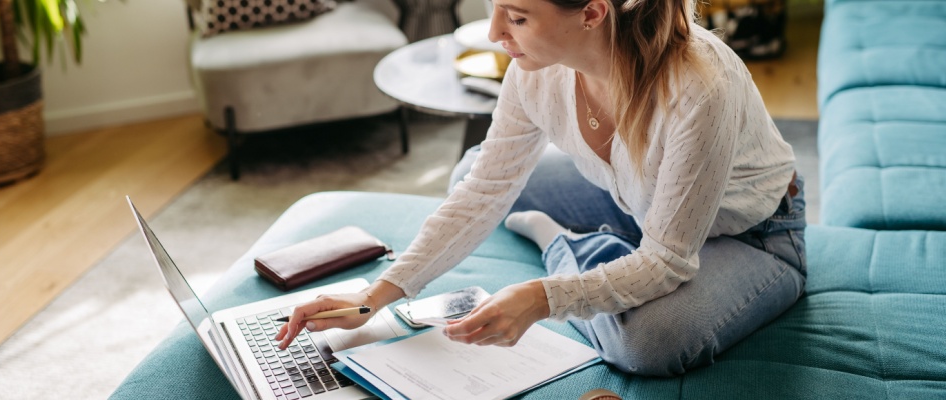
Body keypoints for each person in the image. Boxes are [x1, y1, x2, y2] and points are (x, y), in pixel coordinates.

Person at [275, 0, 807, 377]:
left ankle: (563, 245)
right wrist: (375, 297)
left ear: (593, 12)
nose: (494, 33)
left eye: (519, 17)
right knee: (469, 173)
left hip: (751, 236)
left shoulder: (699, 87)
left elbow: (668, 260)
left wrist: (543, 298)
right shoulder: (534, 71)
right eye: (496, 8)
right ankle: (604, 252)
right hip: (633, 201)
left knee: (649, 345)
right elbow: (486, 189)